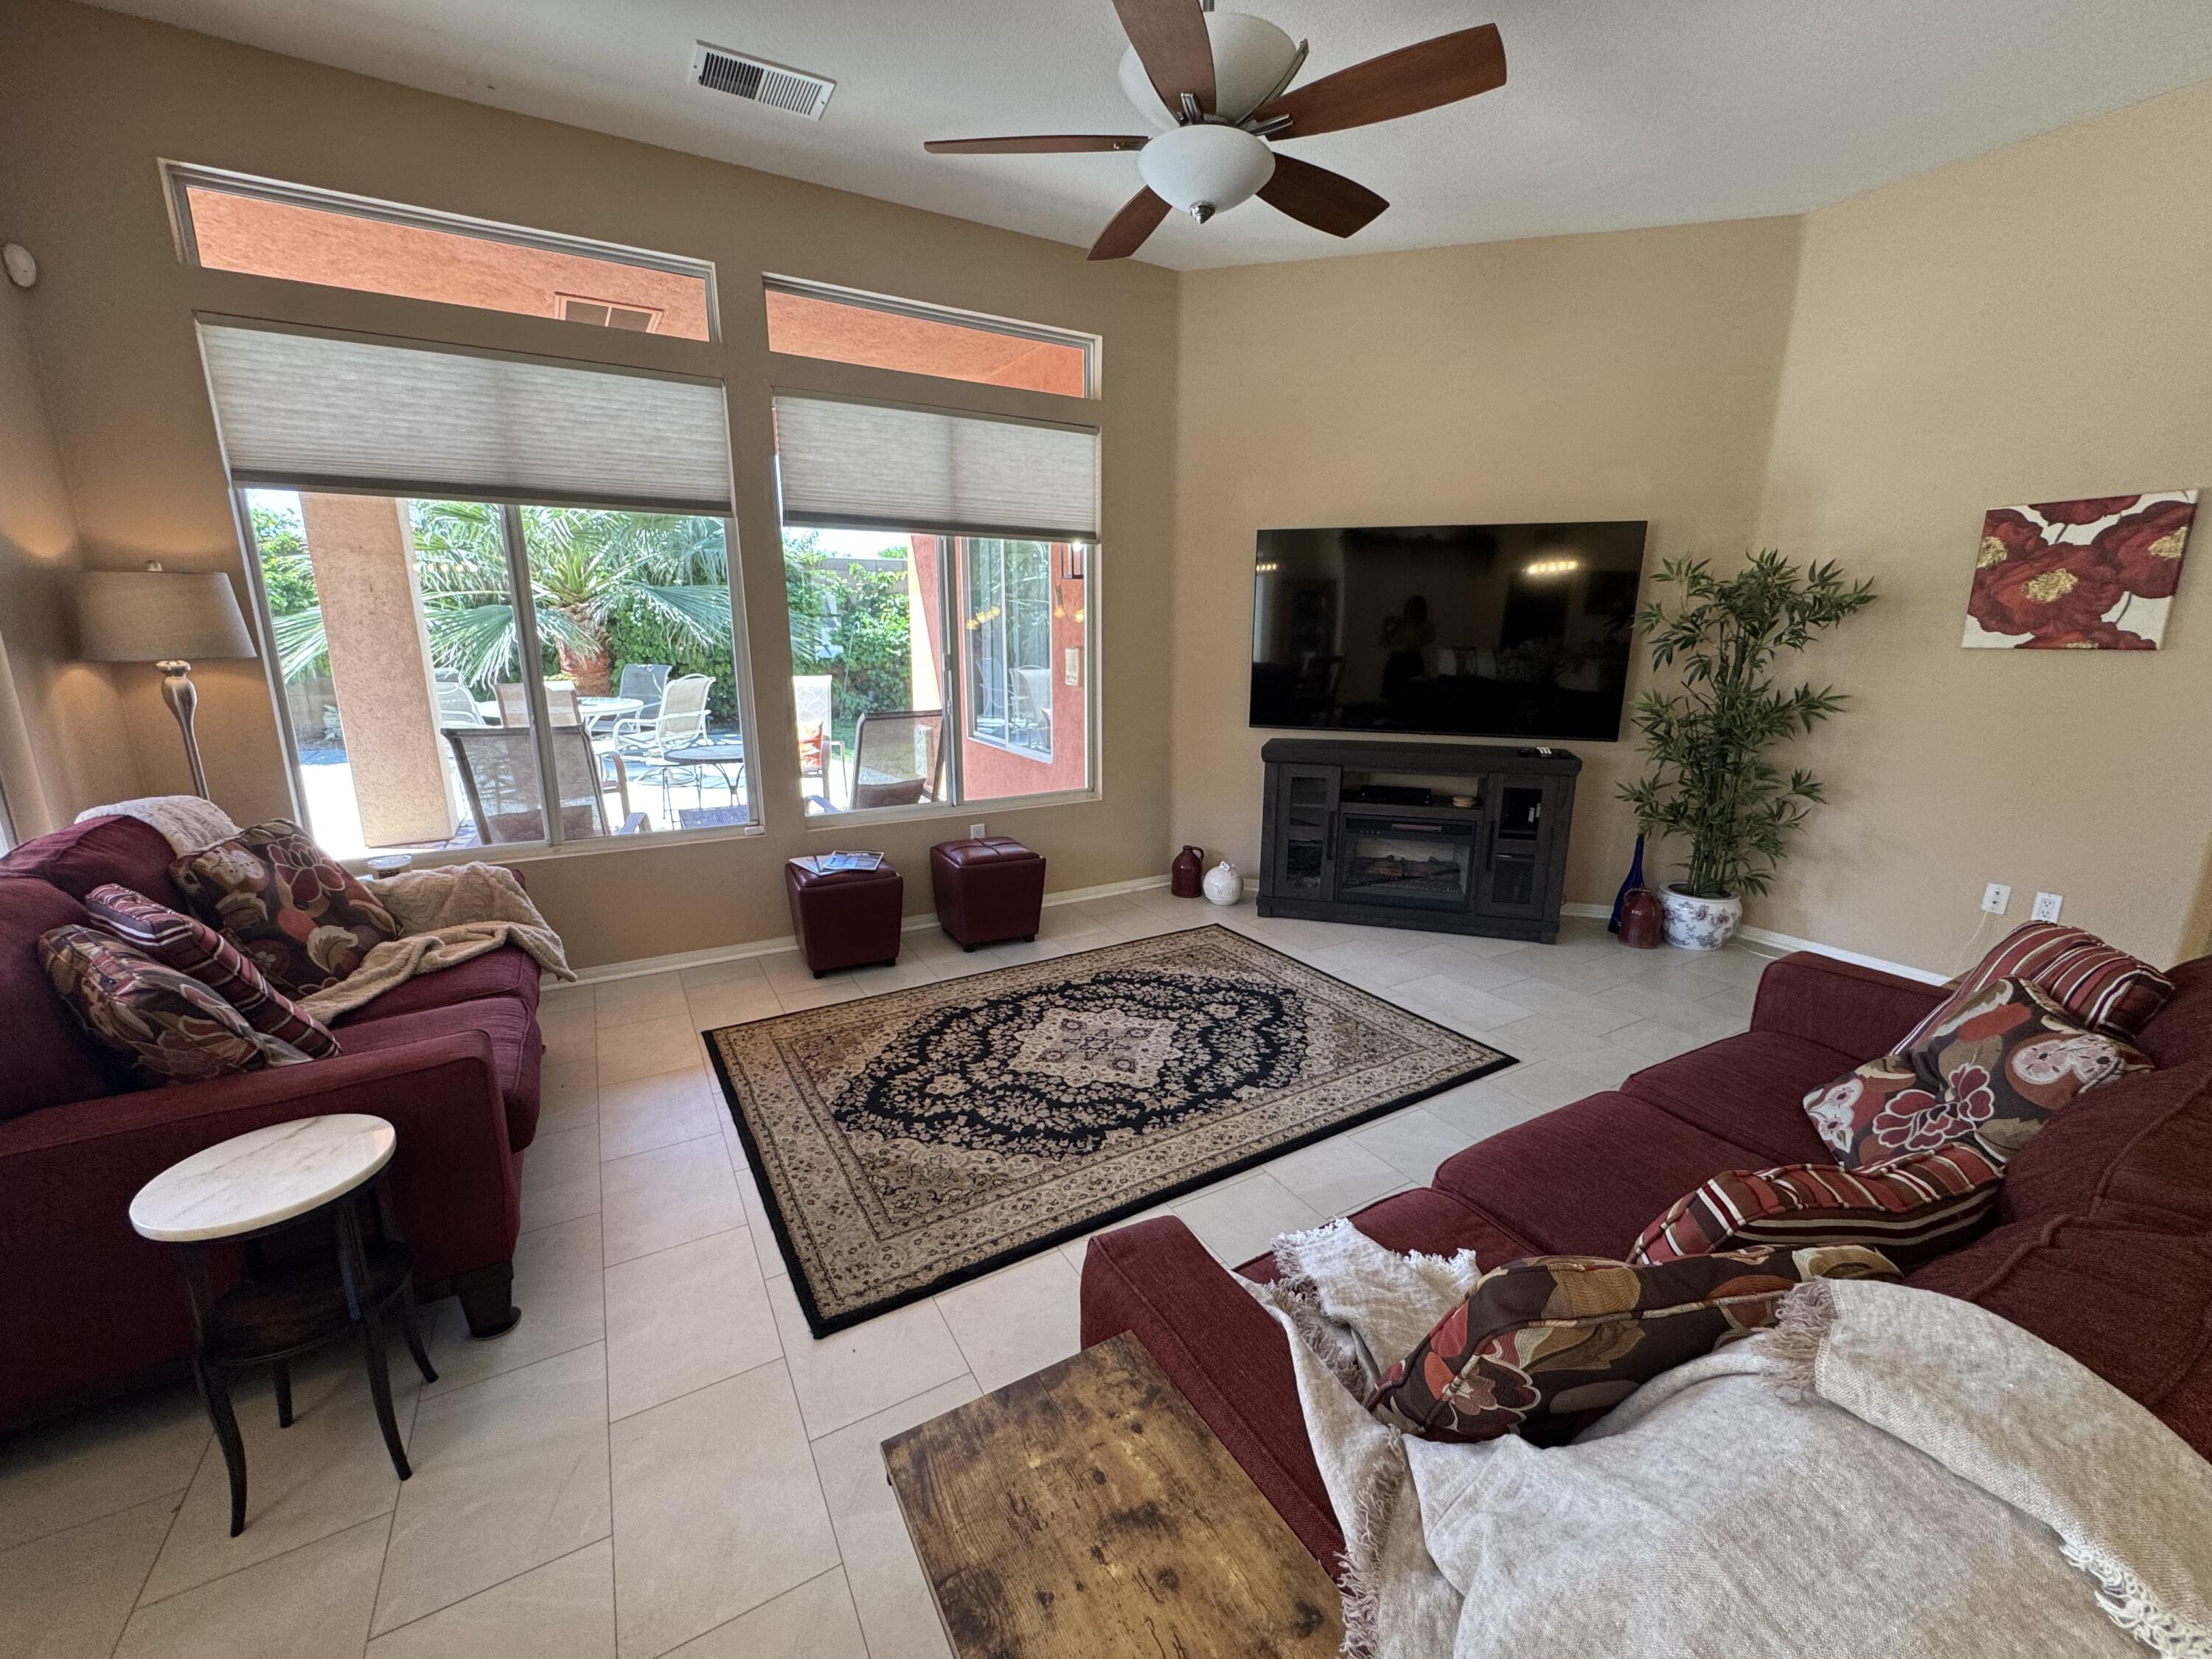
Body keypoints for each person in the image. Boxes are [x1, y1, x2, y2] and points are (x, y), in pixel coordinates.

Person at [1380, 594, 1433, 701]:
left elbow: (1419, 640)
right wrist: (1386, 627)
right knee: (1392, 695)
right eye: (1409, 608)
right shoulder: (1400, 624)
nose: (1410, 611)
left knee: (1412, 695)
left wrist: (1406, 623)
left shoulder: (1425, 626)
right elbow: (1386, 643)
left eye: (1413, 608)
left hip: (1411, 660)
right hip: (1396, 661)